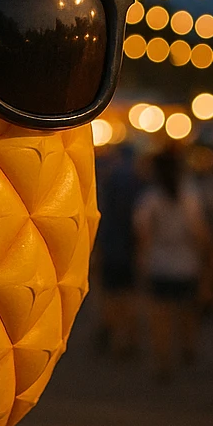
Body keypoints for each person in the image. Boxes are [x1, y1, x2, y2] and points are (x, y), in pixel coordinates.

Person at [134, 146, 207, 381]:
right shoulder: (190, 195)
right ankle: (187, 348)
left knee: (160, 317)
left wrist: (142, 262)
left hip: (159, 263)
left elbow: (143, 234)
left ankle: (162, 361)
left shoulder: (151, 197)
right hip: (186, 264)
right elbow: (198, 232)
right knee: (186, 312)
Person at [93, 145, 143, 358]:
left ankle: (114, 335)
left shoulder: (111, 179)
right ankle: (129, 338)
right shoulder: (138, 182)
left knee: (111, 293)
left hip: (112, 243)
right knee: (129, 294)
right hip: (130, 244)